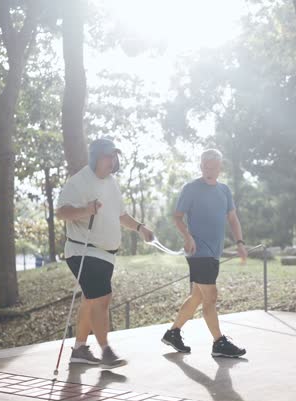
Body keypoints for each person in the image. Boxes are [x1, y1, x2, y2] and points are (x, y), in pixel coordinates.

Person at [56, 138, 154, 369]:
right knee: (101, 299)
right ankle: (106, 352)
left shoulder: (112, 183)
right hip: (83, 250)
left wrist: (141, 228)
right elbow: (61, 212)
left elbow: (120, 215)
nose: (113, 161)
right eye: (108, 156)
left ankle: (80, 349)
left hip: (107, 254)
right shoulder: (79, 182)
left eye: (114, 156)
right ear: (96, 157)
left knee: (91, 301)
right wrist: (86, 210)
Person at [161, 149, 248, 358]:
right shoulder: (191, 189)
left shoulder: (224, 190)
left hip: (214, 252)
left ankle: (173, 333)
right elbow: (178, 217)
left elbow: (233, 218)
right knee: (211, 296)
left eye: (213, 166)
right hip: (198, 251)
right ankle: (219, 342)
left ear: (220, 168)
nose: (208, 170)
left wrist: (240, 242)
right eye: (205, 166)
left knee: (197, 297)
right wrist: (188, 237)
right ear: (201, 166)